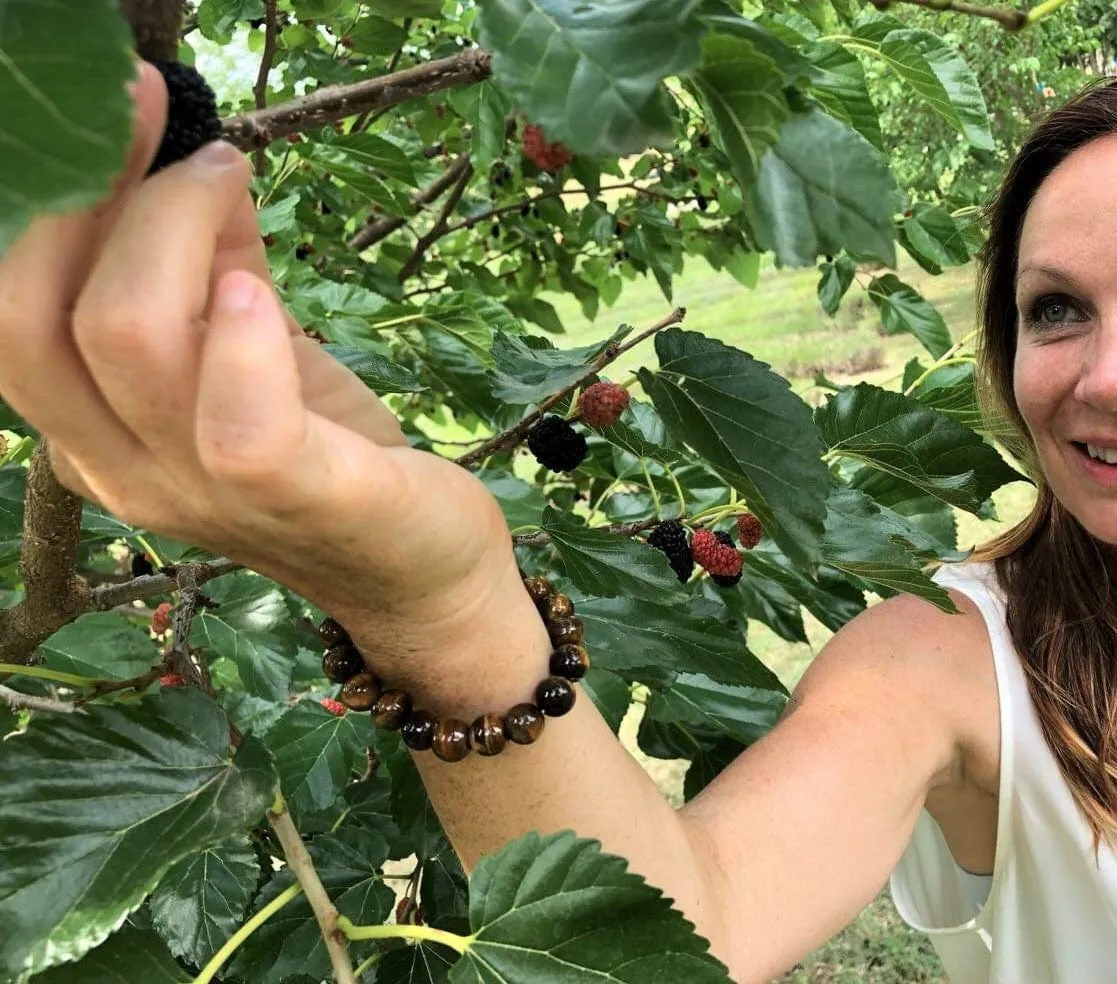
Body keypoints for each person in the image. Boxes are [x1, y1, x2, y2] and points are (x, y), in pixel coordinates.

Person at [1, 61, 1116, 983]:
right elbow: (693, 932)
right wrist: (437, 609)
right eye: (1056, 309)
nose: (1103, 378)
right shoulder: (952, 666)